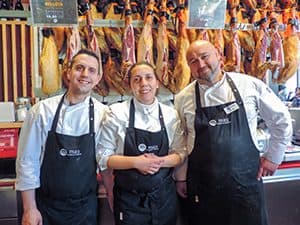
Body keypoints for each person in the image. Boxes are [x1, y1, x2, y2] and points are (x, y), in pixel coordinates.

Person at [174, 40, 293, 225]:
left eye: (204, 57)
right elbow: (180, 141)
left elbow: (281, 120)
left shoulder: (249, 85)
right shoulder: (183, 98)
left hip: (245, 186)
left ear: (219, 57)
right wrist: (180, 178)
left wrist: (273, 157)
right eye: (193, 61)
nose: (201, 64)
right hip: (202, 188)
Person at [15, 49, 108, 225]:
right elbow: (27, 161)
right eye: (79, 68)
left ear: (97, 79)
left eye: (91, 70)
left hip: (85, 208)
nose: (85, 74)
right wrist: (29, 209)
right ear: (68, 72)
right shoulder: (41, 111)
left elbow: (104, 161)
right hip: (45, 207)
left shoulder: (103, 114)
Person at [98, 62, 186, 225]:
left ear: (157, 82)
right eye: (137, 79)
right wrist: (136, 162)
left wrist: (157, 162)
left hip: (164, 199)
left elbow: (180, 153)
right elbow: (104, 157)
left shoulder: (170, 114)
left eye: (148, 78)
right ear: (130, 85)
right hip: (128, 199)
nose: (143, 84)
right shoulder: (117, 113)